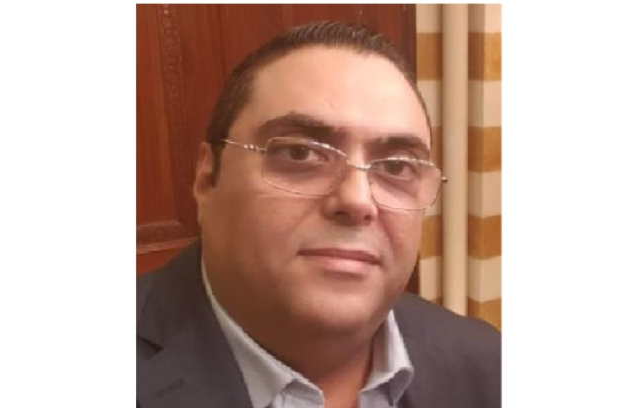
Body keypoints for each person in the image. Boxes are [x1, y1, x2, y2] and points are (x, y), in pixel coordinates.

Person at [137, 21, 500, 408]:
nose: (358, 200)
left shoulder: (487, 364)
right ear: (208, 177)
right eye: (300, 153)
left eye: (396, 167)